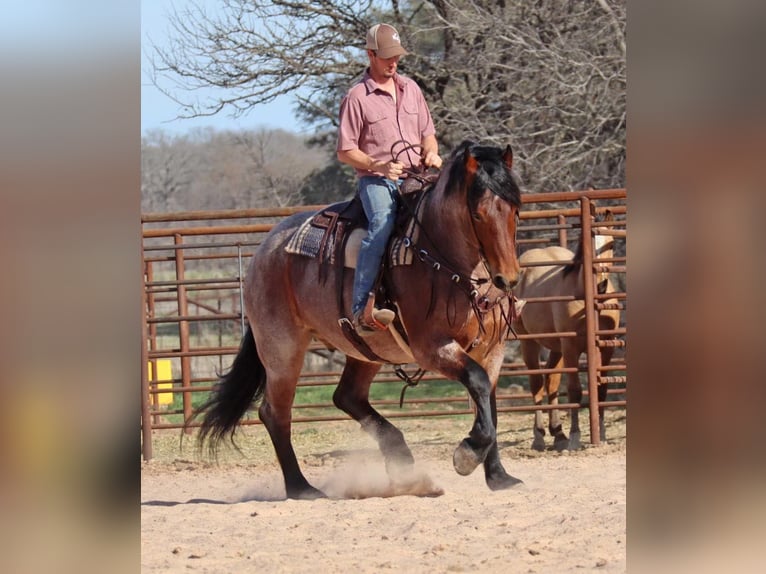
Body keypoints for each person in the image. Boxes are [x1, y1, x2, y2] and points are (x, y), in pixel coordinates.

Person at [337, 23, 443, 336]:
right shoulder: (357, 97)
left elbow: (429, 134)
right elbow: (345, 151)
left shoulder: (411, 89)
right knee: (382, 224)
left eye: (396, 56)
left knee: (449, 216)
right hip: (376, 182)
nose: (392, 62)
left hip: (417, 176)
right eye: (385, 56)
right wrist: (379, 166)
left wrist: (432, 153)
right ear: (370, 54)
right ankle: (361, 309)